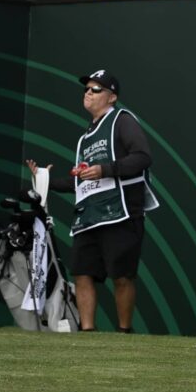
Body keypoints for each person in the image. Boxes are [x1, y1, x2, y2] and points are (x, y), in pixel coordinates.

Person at [26, 70, 158, 333]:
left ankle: (124, 331)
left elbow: (142, 157)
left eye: (96, 89)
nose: (88, 92)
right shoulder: (85, 138)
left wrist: (105, 169)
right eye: (86, 88)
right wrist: (44, 179)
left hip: (120, 212)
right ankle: (87, 332)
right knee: (82, 273)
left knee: (121, 276)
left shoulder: (122, 120)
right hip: (89, 214)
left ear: (112, 97)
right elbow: (80, 181)